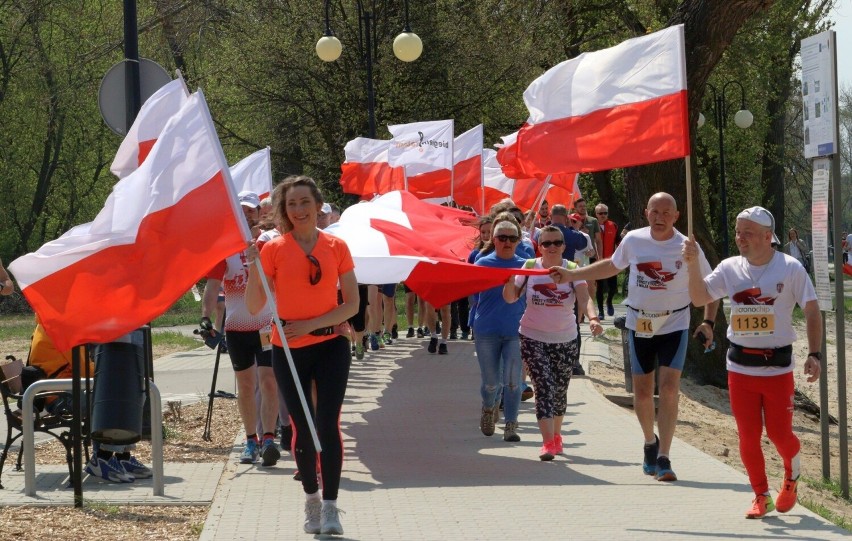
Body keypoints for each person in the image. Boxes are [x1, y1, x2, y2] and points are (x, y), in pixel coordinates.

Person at [549, 192, 718, 481]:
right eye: (655, 211)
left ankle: (665, 456)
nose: (660, 218)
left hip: (674, 322)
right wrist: (570, 275)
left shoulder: (687, 247)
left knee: (667, 389)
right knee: (642, 392)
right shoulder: (635, 240)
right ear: (646, 212)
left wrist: (709, 322)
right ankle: (649, 443)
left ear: (676, 216)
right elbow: (611, 266)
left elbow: (711, 286)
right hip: (641, 323)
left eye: (667, 213)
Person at [683, 206, 822, 519]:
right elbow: (699, 297)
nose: (739, 237)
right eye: (737, 231)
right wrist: (692, 266)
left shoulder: (790, 268)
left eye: (746, 232)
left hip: (777, 368)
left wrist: (815, 354)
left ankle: (791, 475)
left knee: (779, 435)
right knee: (748, 436)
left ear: (766, 236)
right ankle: (761, 494)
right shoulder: (730, 267)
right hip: (740, 367)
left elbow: (812, 310)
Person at [246, 175, 358, 536]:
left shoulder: (337, 245)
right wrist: (253, 268)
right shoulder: (274, 248)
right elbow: (253, 306)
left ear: (317, 204)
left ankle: (330, 507)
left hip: (331, 346)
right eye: (291, 204)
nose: (298, 210)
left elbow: (352, 306)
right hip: (289, 350)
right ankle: (311, 499)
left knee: (328, 425)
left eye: (304, 202)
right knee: (304, 429)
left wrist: (312, 325)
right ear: (284, 209)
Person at [503, 226, 603, 460]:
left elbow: (583, 297)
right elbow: (510, 298)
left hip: (565, 338)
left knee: (559, 390)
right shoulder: (529, 268)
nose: (552, 247)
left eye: (556, 243)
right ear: (539, 246)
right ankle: (547, 443)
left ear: (563, 246)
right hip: (532, 335)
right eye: (546, 243)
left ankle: (556, 436)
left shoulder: (572, 269)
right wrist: (507, 282)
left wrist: (594, 319)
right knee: (544, 387)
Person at [202, 191, 280, 467]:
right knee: (246, 387)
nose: (247, 215)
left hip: (266, 326)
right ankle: (250, 441)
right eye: (242, 211)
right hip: (236, 328)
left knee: (269, 381)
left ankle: (269, 437)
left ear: (260, 213)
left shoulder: (270, 242)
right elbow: (212, 288)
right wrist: (205, 317)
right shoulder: (224, 248)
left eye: (251, 211)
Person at [472, 214, 527, 442]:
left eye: (512, 238)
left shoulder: (525, 265)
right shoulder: (482, 263)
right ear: (494, 239)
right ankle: (488, 408)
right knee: (492, 382)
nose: (507, 242)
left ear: (517, 240)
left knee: (513, 382)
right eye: (502, 237)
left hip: (516, 332)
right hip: (487, 331)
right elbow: (473, 298)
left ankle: (511, 425)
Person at [595, 203, 619, 317]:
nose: (603, 215)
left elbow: (618, 241)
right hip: (597, 262)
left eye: (605, 213)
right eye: (600, 213)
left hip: (611, 261)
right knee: (599, 288)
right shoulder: (592, 226)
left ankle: (609, 301)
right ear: (596, 214)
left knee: (613, 287)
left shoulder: (613, 225)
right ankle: (600, 311)